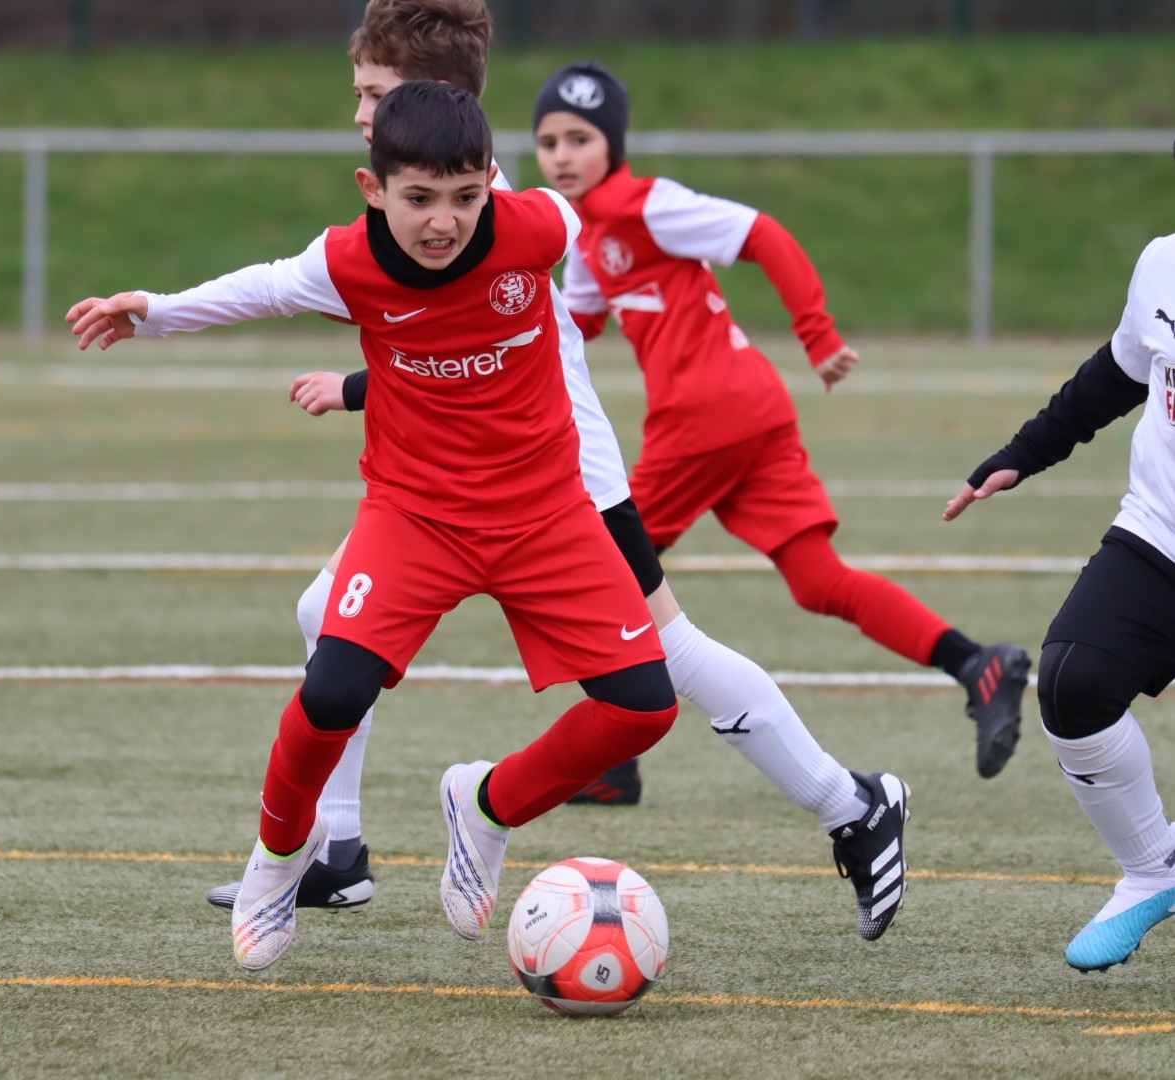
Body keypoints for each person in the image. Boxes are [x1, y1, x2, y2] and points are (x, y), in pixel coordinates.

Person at [210, 0, 910, 946]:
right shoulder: (441, 203)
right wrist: (363, 385)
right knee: (323, 614)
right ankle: (337, 851)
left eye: (373, 93)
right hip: (478, 473)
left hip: (563, 475)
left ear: (434, 100)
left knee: (667, 660)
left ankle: (849, 803)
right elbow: (458, 344)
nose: (360, 112)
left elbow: (491, 338)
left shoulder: (477, 206)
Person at [70, 82, 684, 971]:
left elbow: (552, 268)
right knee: (331, 693)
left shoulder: (540, 227)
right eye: (419, 198)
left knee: (644, 706)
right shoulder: (346, 261)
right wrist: (158, 313)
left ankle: (486, 805)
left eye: (466, 196)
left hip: (547, 513)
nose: (444, 222)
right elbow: (263, 288)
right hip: (417, 516)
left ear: (491, 182)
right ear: (374, 189)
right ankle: (277, 862)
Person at [534, 59, 1032, 780]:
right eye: (549, 142)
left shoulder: (647, 204)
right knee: (818, 580)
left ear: (614, 144)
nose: (561, 156)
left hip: (704, 418)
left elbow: (763, 232)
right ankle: (976, 663)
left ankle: (614, 762)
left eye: (580, 139)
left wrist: (817, 333)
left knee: (606, 568)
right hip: (752, 411)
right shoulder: (583, 234)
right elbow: (573, 324)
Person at [945, 230, 1175, 972]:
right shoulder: (1164, 262)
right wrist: (1024, 453)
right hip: (1161, 532)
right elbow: (1117, 374)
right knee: (1075, 681)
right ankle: (1153, 870)